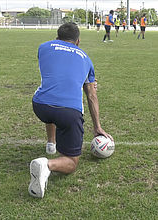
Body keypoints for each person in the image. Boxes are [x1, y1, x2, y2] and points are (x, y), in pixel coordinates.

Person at [29, 23, 113, 198]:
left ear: (57, 37)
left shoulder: (43, 47)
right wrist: (97, 127)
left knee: (52, 99)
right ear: (78, 41)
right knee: (71, 163)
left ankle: (51, 144)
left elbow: (56, 68)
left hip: (40, 105)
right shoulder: (86, 58)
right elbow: (91, 95)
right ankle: (47, 165)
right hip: (68, 112)